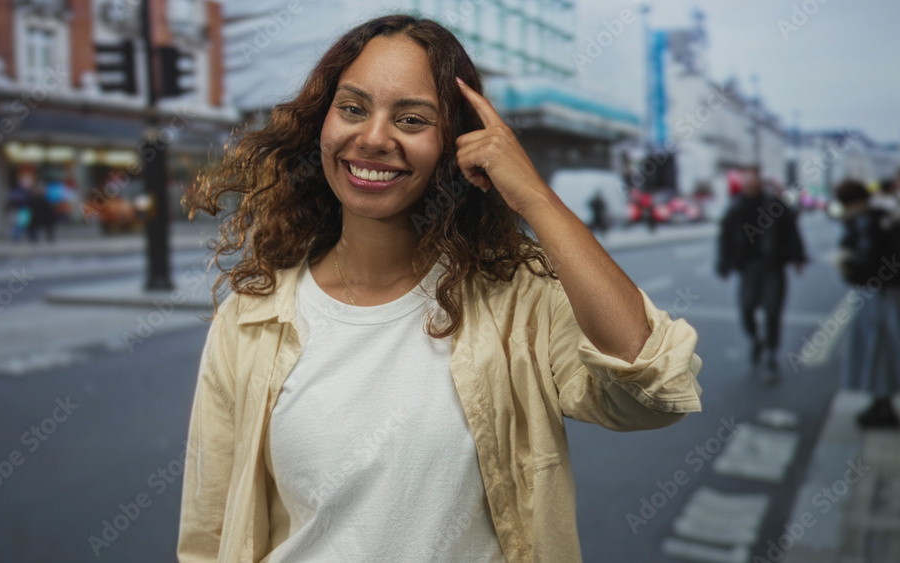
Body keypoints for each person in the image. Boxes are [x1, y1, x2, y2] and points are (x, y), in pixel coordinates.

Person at [177, 15, 703, 562]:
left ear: (455, 145)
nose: (374, 138)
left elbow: (656, 391)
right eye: (353, 108)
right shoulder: (250, 320)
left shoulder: (516, 302)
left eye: (411, 119)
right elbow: (208, 536)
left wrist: (535, 199)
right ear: (322, 125)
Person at [716, 166, 807, 373]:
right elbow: (726, 238)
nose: (750, 182)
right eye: (746, 178)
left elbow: (792, 231)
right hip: (747, 268)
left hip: (773, 265)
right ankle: (756, 340)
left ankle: (771, 353)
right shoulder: (736, 207)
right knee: (746, 309)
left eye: (753, 178)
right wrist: (724, 263)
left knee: (772, 311)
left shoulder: (775, 204)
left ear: (758, 180)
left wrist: (798, 257)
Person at [834, 180, 900, 428]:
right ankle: (881, 401)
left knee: (878, 345)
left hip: (879, 293)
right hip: (884, 291)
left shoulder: (867, 223)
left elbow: (869, 262)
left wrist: (847, 265)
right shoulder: (881, 218)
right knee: (881, 345)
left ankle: (882, 404)